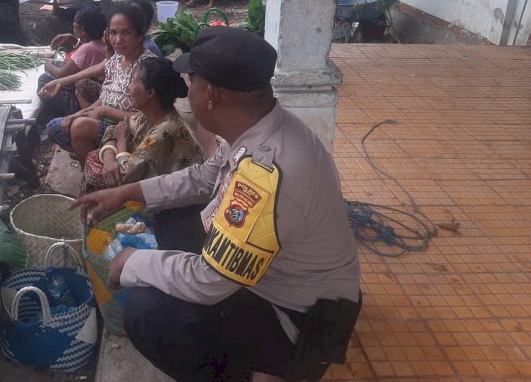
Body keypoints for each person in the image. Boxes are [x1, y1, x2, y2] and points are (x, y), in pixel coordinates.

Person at [72, 27, 362, 382]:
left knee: (147, 311)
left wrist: (133, 262)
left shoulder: (267, 173)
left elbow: (209, 282)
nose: (186, 93)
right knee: (171, 218)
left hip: (301, 320)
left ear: (209, 95)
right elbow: (205, 177)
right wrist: (128, 192)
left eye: (190, 82)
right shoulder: (260, 128)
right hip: (275, 277)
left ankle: (249, 373)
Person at [44, 5, 155, 165]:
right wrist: (80, 112)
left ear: (140, 35)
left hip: (129, 129)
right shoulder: (118, 59)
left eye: (126, 32)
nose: (118, 40)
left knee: (80, 127)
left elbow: (148, 119)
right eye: (113, 33)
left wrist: (103, 111)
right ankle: (95, 158)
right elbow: (105, 97)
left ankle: (93, 173)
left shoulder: (147, 67)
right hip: (109, 123)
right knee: (56, 128)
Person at [83, 57, 204, 193]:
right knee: (99, 162)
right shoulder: (147, 116)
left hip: (174, 202)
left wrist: (122, 144)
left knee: (101, 176)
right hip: (154, 190)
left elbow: (125, 176)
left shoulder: (164, 132)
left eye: (134, 80)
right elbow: (114, 130)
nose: (128, 87)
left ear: (150, 92)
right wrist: (109, 157)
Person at [36, 7, 108, 125]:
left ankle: (63, 114)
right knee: (58, 66)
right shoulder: (103, 42)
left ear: (83, 30)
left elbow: (61, 74)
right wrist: (72, 38)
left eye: (74, 26)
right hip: (95, 91)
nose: (72, 28)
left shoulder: (87, 49)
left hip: (89, 98)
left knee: (45, 79)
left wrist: (47, 64)